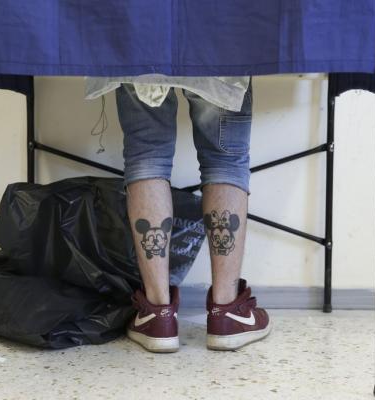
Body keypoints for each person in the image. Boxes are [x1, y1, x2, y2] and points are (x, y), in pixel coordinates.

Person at [84, 75, 272, 352]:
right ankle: (227, 312)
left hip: (144, 52)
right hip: (216, 52)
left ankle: (156, 314)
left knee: (147, 156)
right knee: (225, 159)